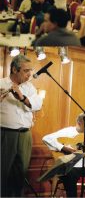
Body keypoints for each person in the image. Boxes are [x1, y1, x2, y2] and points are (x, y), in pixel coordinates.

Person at [0, 55, 43, 197]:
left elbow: (37, 105)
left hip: (25, 135)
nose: (29, 74)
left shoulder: (30, 88)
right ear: (14, 69)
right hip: (5, 135)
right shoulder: (1, 84)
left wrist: (22, 97)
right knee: (3, 173)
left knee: (21, 174)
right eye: (26, 70)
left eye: (30, 70)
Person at [42, 113, 85, 197]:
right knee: (70, 175)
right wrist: (63, 148)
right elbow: (46, 138)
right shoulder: (67, 131)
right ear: (79, 123)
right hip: (70, 166)